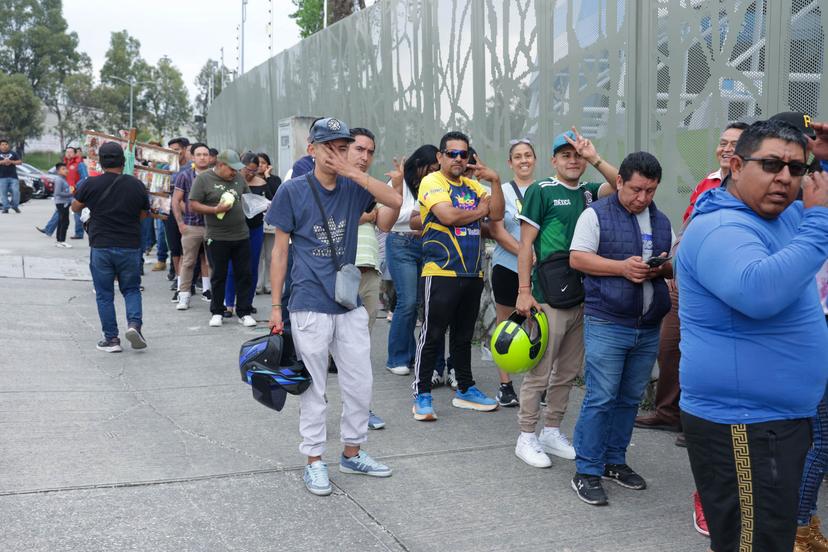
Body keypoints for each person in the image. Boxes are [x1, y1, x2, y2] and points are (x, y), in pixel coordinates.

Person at [677, 118, 828, 551]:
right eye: (772, 164)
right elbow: (757, 291)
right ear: (737, 166)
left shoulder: (780, 214)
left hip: (772, 422)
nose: (785, 177)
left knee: (768, 539)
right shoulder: (721, 228)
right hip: (741, 424)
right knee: (752, 544)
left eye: (797, 169)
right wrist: (818, 226)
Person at [266, 117, 403, 496]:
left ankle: (352, 452)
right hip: (308, 301)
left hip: (348, 301)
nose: (338, 154)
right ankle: (313, 459)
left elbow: (394, 201)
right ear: (311, 149)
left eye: (344, 148)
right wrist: (277, 307)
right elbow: (279, 252)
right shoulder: (292, 191)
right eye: (330, 147)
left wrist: (353, 173)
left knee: (360, 381)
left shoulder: (352, 187)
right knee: (313, 387)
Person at [566, 151, 674, 505]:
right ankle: (587, 469)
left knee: (628, 398)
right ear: (620, 183)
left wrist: (660, 269)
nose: (643, 198)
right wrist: (621, 268)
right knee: (601, 396)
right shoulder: (594, 215)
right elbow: (578, 258)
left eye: (651, 191)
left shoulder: (661, 221)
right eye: (636, 189)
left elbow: (673, 265)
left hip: (647, 324)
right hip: (608, 321)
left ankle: (615, 460)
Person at [513, 128, 619, 468]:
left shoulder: (590, 192)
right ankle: (526, 435)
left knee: (568, 371)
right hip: (547, 294)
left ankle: (551, 430)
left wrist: (596, 157)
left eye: (577, 155)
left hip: (582, 293)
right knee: (541, 370)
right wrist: (524, 292)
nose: (573, 160)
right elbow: (526, 245)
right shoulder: (542, 191)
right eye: (566, 155)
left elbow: (622, 186)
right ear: (554, 160)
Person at [635, 121, 748, 438]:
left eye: (734, 143)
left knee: (707, 354)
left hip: (719, 287)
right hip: (684, 281)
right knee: (669, 347)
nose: (725, 148)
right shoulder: (707, 183)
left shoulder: (750, 187)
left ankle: (700, 422)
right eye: (722, 142)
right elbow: (687, 230)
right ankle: (668, 412)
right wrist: (673, 265)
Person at [411, 131, 505, 421]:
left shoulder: (474, 186)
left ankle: (465, 388)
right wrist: (480, 210)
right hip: (441, 270)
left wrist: (495, 181)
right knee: (433, 334)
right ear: (440, 157)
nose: (459, 159)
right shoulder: (432, 181)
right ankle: (422, 394)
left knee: (464, 336)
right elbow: (448, 216)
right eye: (452, 153)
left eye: (463, 154)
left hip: (472, 271)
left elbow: (497, 214)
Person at [71, 142, 150, 352]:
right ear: (123, 162)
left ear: (100, 162)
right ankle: (134, 326)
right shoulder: (136, 185)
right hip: (130, 246)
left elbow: (75, 207)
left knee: (104, 294)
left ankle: (111, 340)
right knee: (131, 289)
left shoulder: (90, 184)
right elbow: (143, 215)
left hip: (101, 246)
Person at [382, 145, 441, 378]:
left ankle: (411, 354)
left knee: (418, 303)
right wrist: (422, 214)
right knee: (407, 301)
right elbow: (392, 216)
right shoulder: (399, 183)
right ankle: (396, 357)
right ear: (419, 164)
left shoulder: (433, 184)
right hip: (401, 243)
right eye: (430, 168)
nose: (432, 173)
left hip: (424, 245)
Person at [487, 138, 537, 407]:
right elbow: (496, 230)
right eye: (518, 156)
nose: (523, 160)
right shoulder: (503, 191)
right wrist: (524, 253)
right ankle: (505, 385)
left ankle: (535, 384)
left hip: (539, 271)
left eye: (528, 155)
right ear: (510, 163)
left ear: (535, 159)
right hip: (507, 266)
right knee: (506, 325)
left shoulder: (544, 189)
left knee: (537, 326)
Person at [188, 150, 256, 328]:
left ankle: (244, 312)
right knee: (219, 275)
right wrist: (214, 210)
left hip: (241, 234)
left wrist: (261, 205)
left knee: (244, 274)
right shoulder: (203, 179)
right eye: (232, 169)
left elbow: (248, 199)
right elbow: (193, 204)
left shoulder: (239, 179)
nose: (235, 172)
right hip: (217, 236)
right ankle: (217, 311)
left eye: (236, 169)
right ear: (220, 165)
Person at [224, 152, 267, 316]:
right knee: (231, 267)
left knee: (252, 267)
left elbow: (271, 201)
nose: (250, 174)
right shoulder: (232, 181)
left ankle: (247, 302)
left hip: (255, 228)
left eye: (254, 171)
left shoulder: (262, 183)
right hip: (235, 228)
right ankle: (229, 303)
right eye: (247, 170)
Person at [172, 142, 212, 310]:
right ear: (193, 157)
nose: (203, 157)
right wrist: (181, 223)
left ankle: (211, 292)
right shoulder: (185, 175)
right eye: (199, 154)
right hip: (191, 225)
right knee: (188, 262)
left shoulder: (215, 176)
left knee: (212, 262)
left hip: (212, 226)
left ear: (210, 158)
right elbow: (176, 200)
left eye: (205, 154)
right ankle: (184, 295)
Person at [165, 137, 191, 291]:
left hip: (189, 213)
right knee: (174, 247)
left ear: (184, 150)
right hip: (169, 212)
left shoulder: (191, 168)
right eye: (170, 151)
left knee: (187, 248)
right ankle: (179, 277)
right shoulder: (166, 168)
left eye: (176, 150)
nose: (173, 153)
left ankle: (190, 280)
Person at [256, 152, 281, 295]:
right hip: (257, 222)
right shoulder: (250, 180)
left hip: (271, 222)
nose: (260, 165)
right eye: (258, 163)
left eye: (263, 163)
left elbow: (275, 196)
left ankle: (270, 284)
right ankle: (258, 285)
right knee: (258, 256)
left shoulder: (274, 179)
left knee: (271, 255)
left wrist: (268, 177)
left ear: (268, 165)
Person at [52, 163, 73, 248]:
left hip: (64, 202)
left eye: (66, 169)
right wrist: (70, 194)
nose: (66, 170)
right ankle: (62, 241)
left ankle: (59, 241)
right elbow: (57, 193)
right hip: (62, 203)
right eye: (63, 169)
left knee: (62, 221)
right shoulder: (59, 179)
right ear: (58, 171)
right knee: (65, 222)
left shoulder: (63, 179)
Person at [0, 139, 22, 213]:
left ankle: (15, 206)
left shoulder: (13, 153)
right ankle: (5, 208)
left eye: (6, 144)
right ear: (0, 146)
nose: (4, 146)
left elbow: (20, 162)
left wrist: (11, 162)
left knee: (16, 192)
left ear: (8, 145)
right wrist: (2, 162)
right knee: (3, 193)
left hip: (13, 177)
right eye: (2, 144)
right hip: (2, 177)